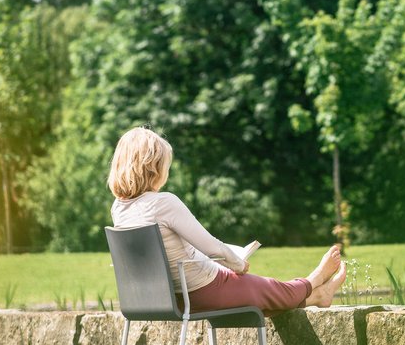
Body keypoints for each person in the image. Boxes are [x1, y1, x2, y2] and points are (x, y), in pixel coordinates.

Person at [108, 127, 346, 315]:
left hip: (170, 298)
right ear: (153, 168)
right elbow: (211, 246)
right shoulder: (164, 203)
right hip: (204, 290)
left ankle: (317, 297)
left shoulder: (119, 209)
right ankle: (314, 279)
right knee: (273, 288)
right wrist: (238, 264)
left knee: (255, 304)